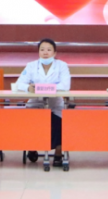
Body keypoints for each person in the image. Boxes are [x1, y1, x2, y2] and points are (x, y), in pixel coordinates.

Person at [17, 39, 71, 167]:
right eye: (42, 50)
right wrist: (28, 88)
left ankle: (58, 154)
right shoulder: (31, 65)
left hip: (55, 105)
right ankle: (32, 147)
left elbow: (65, 85)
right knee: (32, 122)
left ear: (54, 52)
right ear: (38, 52)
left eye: (49, 50)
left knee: (59, 123)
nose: (45, 52)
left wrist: (42, 88)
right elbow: (19, 83)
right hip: (34, 105)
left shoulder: (62, 66)